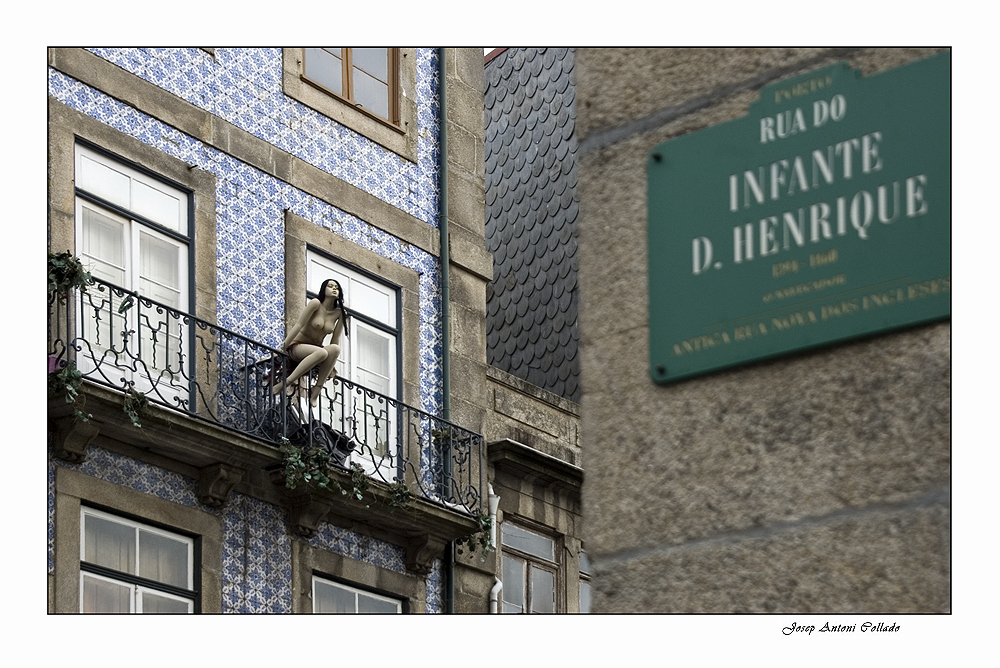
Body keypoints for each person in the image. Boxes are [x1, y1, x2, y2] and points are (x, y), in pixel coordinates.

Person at [272, 278, 349, 406]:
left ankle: (316, 390)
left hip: (316, 350)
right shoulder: (315, 304)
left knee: (335, 349)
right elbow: (298, 325)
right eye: (330, 286)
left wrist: (331, 366)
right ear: (324, 289)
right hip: (298, 346)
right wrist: (283, 348)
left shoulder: (340, 313)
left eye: (337, 287)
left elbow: (335, 341)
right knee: (322, 353)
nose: (334, 288)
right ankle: (285, 383)